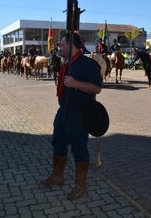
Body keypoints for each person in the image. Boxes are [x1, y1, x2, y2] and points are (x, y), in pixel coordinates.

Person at [40, 32, 102, 200]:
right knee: (58, 143)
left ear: (72, 46)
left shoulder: (88, 64)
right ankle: (57, 176)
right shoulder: (67, 64)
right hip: (63, 112)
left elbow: (96, 88)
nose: (60, 47)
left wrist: (76, 84)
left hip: (79, 114)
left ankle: (80, 186)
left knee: (79, 149)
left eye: (63, 44)